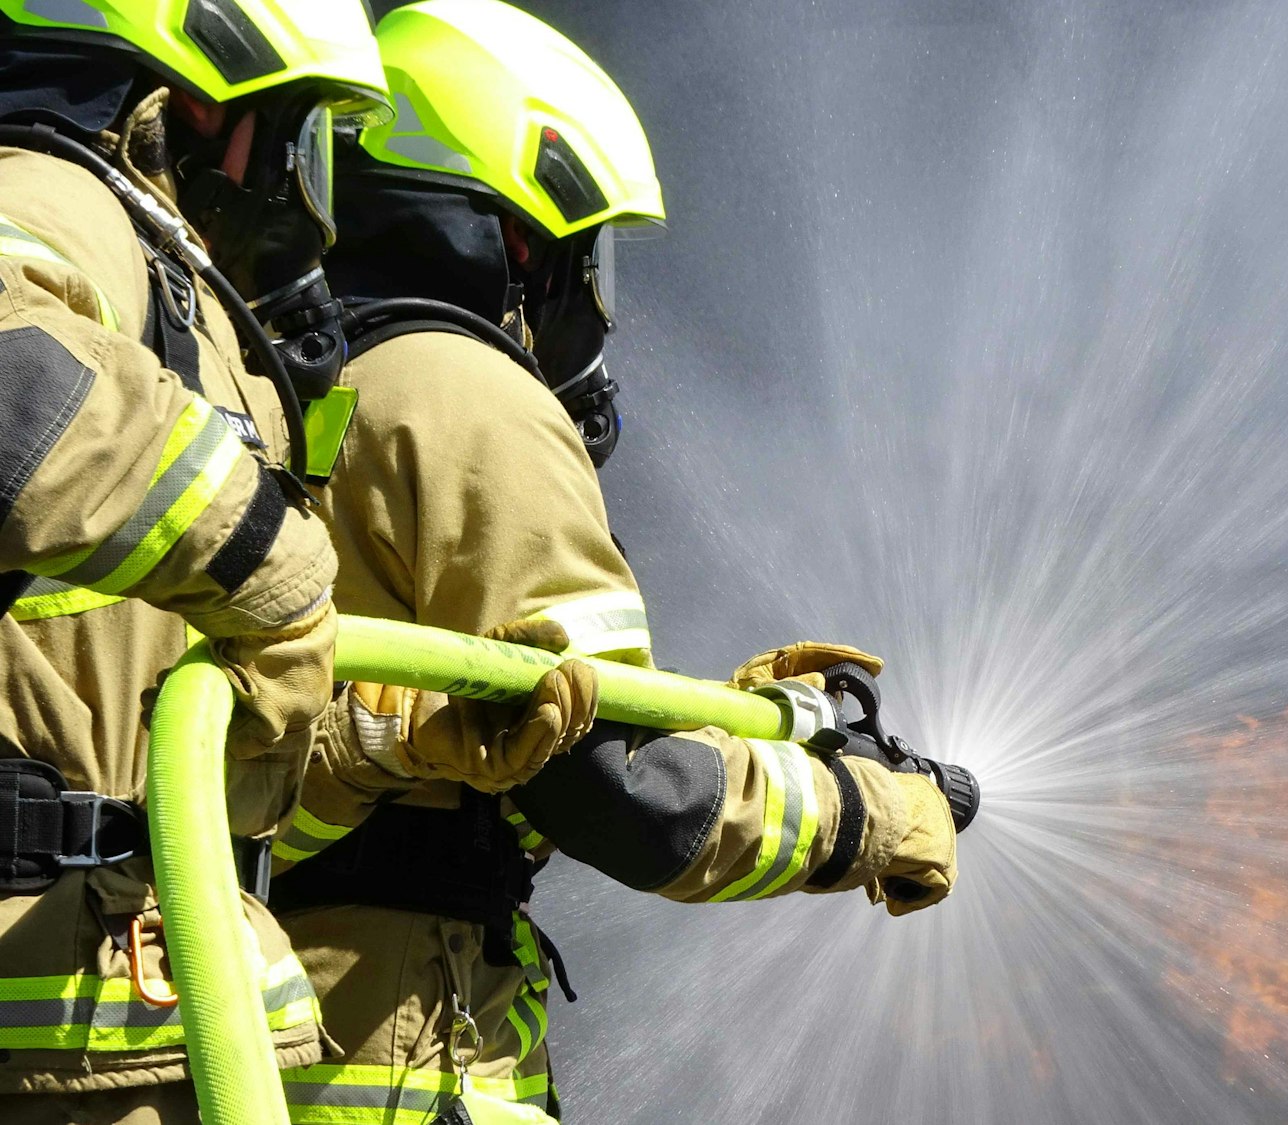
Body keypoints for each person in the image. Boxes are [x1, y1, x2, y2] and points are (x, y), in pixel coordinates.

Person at [263, 4, 957, 1122]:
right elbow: (614, 792)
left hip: (261, 1027)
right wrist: (866, 810)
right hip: (392, 1056)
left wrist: (729, 719)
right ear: (520, 239)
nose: (594, 310)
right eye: (590, 261)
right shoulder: (471, 396)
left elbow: (478, 739)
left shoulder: (313, 384)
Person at [0, 2, 391, 1120]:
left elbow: (104, 689)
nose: (306, 209)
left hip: (117, 1023)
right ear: (206, 103)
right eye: (299, 140)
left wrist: (376, 740)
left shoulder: (152, 273)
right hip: (62, 1036)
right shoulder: (50, 197)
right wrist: (279, 573)